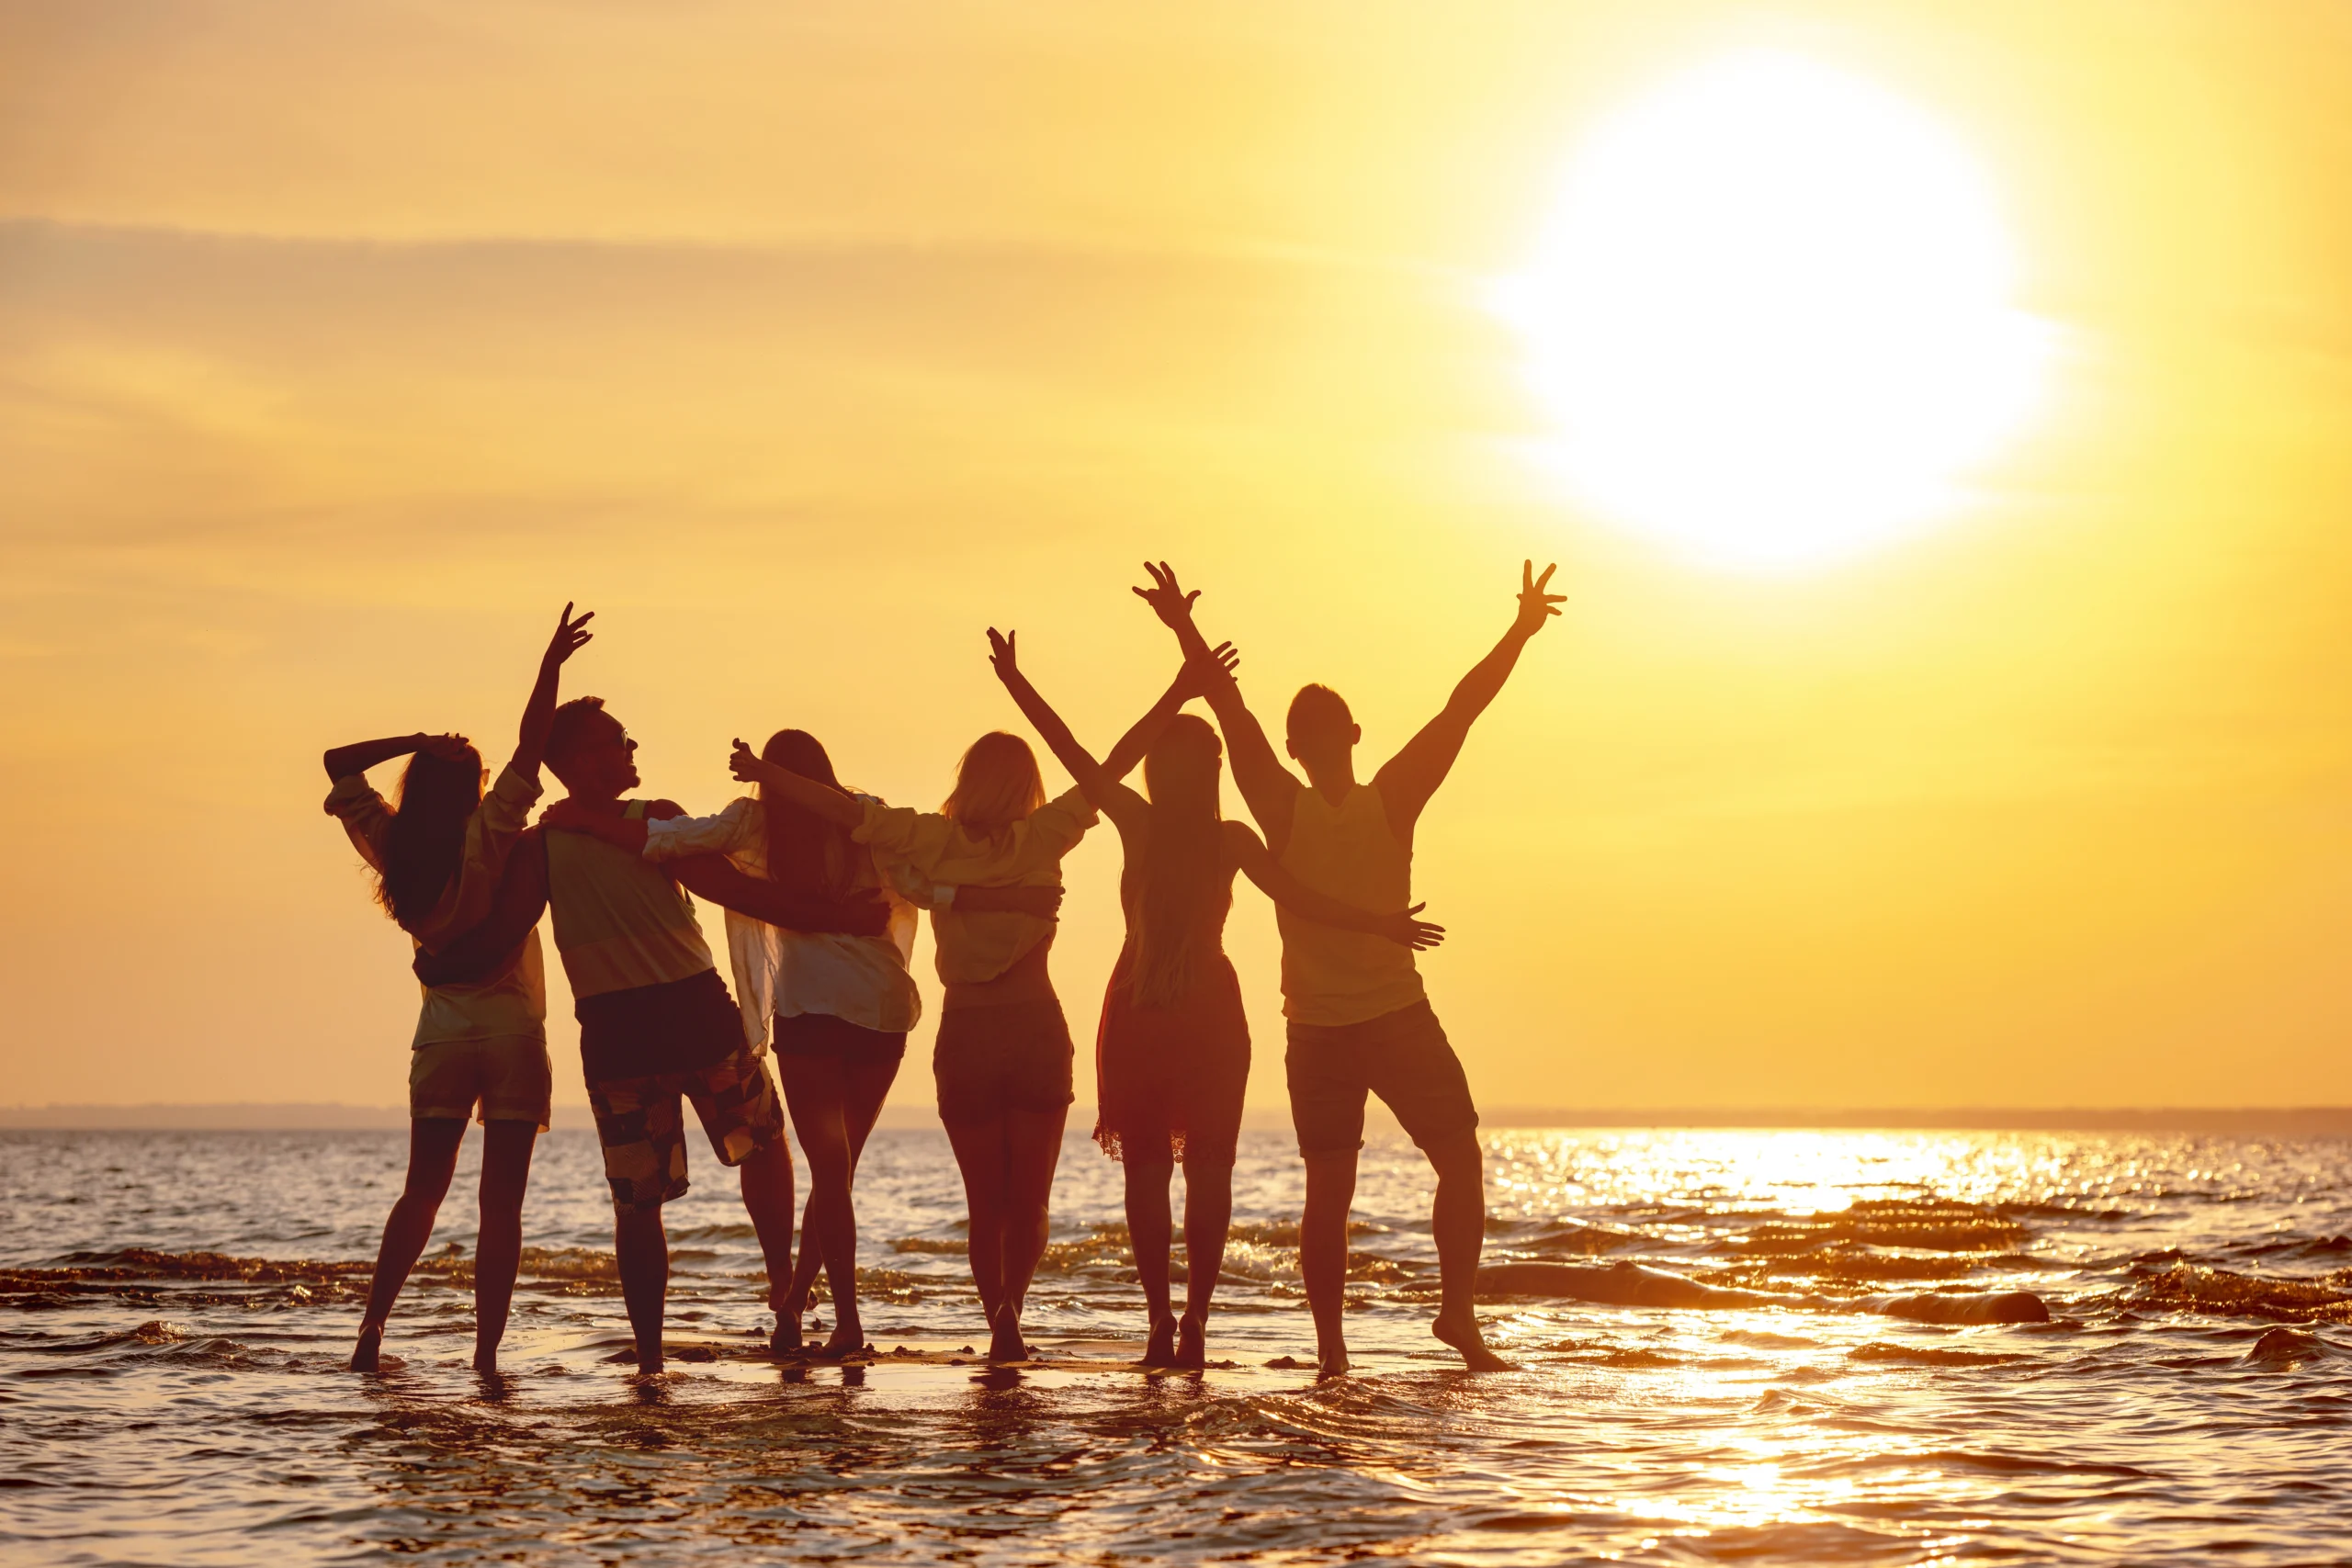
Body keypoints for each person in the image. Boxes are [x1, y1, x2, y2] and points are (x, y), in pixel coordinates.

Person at [728, 645, 1235, 1364]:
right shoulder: (1044, 834)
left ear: (966, 781)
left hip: (967, 1031)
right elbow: (1111, 757)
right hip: (1034, 1026)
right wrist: (1176, 688)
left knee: (984, 1203)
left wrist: (768, 776)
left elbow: (841, 808)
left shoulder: (933, 839)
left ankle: (1000, 1312)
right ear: (1028, 787)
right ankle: (1010, 1315)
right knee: (1027, 1202)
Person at [1135, 559, 1564, 1374]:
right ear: (1307, 744)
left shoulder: (1376, 796)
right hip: (1330, 1026)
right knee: (1346, 1188)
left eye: (1321, 729)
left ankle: (1440, 1322)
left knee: (1445, 1159)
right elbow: (1235, 709)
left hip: (1388, 1015)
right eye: (1307, 732)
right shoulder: (1301, 799)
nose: (1315, 739)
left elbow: (1461, 710)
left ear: (1342, 737)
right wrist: (1181, 629)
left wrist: (1519, 631)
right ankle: (1345, 1346)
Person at [983, 628, 1443, 1369]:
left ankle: (1163, 1322)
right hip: (1208, 1017)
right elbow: (1307, 900)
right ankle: (1194, 1318)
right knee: (1209, 1172)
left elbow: (1072, 751)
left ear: (1162, 771)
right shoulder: (1228, 837)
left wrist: (1015, 680)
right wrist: (1381, 923)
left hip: (1140, 1013)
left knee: (1147, 1174)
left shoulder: (1139, 821)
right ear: (1215, 772)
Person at [540, 728, 1059, 1359]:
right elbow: (923, 888)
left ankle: (844, 1320)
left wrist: (588, 823)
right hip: (879, 1007)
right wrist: (1011, 895)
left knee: (829, 1171)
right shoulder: (864, 819)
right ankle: (800, 1308)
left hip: (811, 1008)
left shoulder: (753, 822)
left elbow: (666, 842)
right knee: (839, 1172)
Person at [417, 696, 899, 1373]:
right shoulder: (616, 828)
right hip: (684, 1017)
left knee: (648, 1196)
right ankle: (780, 1297)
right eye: (619, 740)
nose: (632, 746)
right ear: (585, 759)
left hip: (625, 1033)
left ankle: (660, 1355)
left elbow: (498, 940)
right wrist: (842, 916)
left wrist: (440, 960)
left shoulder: (557, 841)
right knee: (752, 1147)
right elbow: (744, 895)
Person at [322, 602, 594, 1374]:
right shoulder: (491, 832)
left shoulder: (392, 846)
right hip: (511, 1031)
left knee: (421, 1193)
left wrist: (414, 740)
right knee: (498, 1205)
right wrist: (549, 669)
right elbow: (532, 746)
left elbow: (339, 760)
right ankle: (484, 1353)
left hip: (440, 1036)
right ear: (474, 785)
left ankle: (372, 1329)